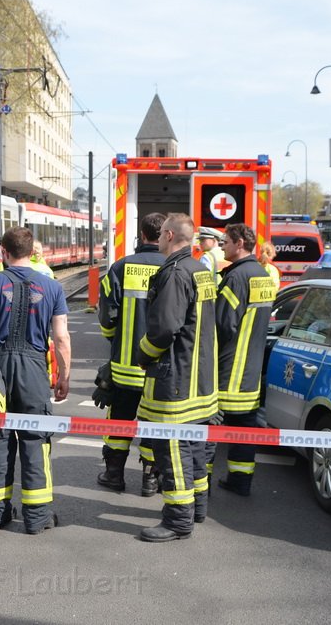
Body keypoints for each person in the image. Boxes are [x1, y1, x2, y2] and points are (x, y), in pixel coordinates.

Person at [0, 226, 71, 534]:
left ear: (4, 253)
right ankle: (37, 519)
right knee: (36, 441)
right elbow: (61, 338)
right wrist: (63, 376)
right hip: (34, 370)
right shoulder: (51, 287)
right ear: (32, 252)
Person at [135, 213, 218, 542]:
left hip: (176, 380)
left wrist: (143, 354)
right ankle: (197, 507)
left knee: (173, 450)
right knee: (195, 447)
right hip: (200, 380)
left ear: (168, 234)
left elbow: (165, 328)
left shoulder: (174, 272)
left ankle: (178, 520)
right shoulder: (201, 270)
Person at [96, 212, 167, 496]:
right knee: (153, 421)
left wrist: (116, 343)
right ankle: (150, 479)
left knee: (120, 418)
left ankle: (114, 474)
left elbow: (106, 316)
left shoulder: (120, 267)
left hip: (124, 366)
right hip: (160, 369)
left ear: (142, 234)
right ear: (163, 234)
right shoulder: (176, 267)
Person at [206, 223, 278, 497]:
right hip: (251, 370)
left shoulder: (236, 278)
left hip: (228, 369)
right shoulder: (261, 274)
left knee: (211, 431)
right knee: (244, 430)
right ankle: (240, 481)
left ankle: (202, 489)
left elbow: (223, 325)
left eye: (225, 241)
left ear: (239, 244)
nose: (222, 245)